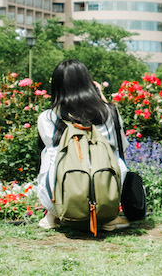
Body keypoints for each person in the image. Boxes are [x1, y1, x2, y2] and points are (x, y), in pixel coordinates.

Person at [36, 59, 130, 231]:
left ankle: (52, 215)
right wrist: (103, 100)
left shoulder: (48, 117)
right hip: (107, 196)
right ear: (89, 83)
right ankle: (109, 217)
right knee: (115, 159)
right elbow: (122, 147)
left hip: (59, 200)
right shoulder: (110, 113)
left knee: (50, 155)